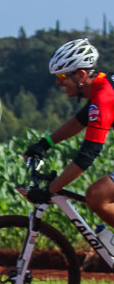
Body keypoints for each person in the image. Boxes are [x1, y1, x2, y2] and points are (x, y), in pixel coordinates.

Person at [22, 38, 114, 235]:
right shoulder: (102, 87)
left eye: (62, 75)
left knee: (97, 196)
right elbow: (79, 121)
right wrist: (44, 144)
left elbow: (87, 156)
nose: (57, 82)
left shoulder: (104, 97)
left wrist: (50, 190)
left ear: (81, 75)